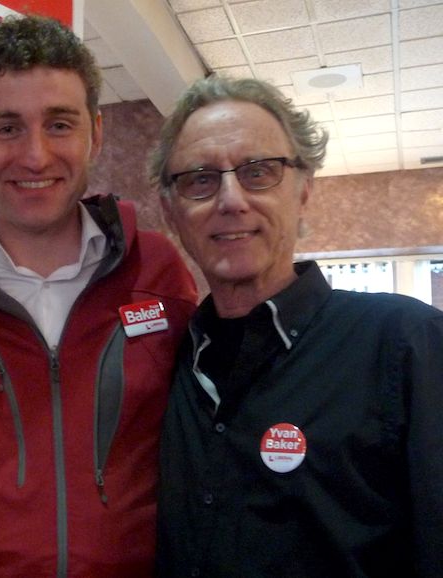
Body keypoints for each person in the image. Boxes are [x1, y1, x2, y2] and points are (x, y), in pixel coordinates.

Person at [0, 14, 197, 578]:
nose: (34, 156)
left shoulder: (159, 274)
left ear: (95, 134)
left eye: (59, 124)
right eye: (7, 128)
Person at [150, 74, 443, 577]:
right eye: (200, 179)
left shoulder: (404, 343)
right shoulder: (166, 363)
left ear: (304, 188)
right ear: (171, 211)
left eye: (258, 172)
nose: (230, 200)